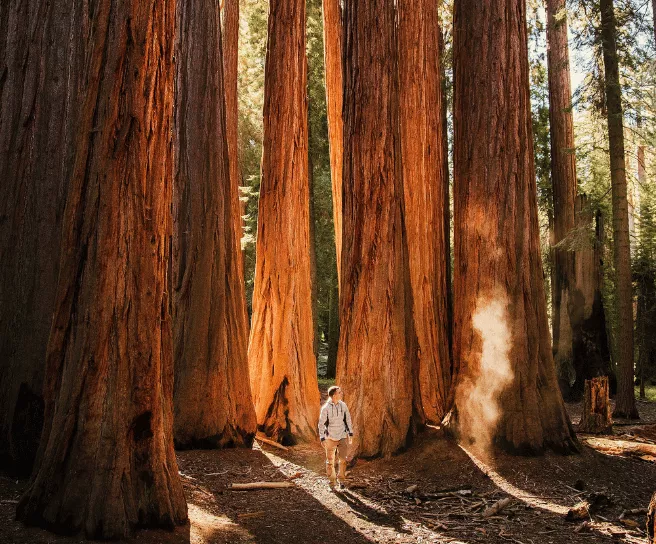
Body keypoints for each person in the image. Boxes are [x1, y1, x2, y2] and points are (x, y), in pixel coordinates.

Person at [318, 385, 354, 490]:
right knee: (330, 461)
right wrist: (322, 438)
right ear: (334, 395)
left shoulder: (343, 405)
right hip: (330, 438)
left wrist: (350, 433)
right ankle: (332, 483)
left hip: (342, 436)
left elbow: (348, 419)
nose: (341, 394)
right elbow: (321, 424)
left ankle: (341, 480)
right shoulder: (326, 408)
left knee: (343, 460)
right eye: (339, 392)